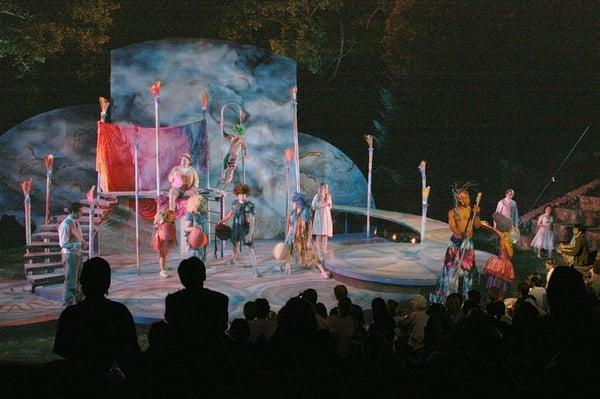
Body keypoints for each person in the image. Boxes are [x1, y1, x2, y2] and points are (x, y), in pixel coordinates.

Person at [54, 257, 140, 374]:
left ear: (82, 281)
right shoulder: (119, 313)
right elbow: (131, 350)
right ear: (107, 283)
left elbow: (61, 349)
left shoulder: (71, 314)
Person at [164, 256, 229, 350]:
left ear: (181, 279)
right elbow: (222, 327)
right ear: (204, 275)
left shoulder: (173, 301)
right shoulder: (220, 300)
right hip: (213, 354)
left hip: (181, 354)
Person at [430, 189, 482, 303]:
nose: (468, 200)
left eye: (468, 197)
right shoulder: (453, 212)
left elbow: (477, 225)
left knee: (468, 270)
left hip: (467, 243)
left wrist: (477, 214)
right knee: (449, 269)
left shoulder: (471, 211)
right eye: (465, 198)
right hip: (456, 242)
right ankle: (447, 296)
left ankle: (468, 299)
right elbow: (453, 227)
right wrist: (462, 234)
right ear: (459, 199)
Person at [278, 192, 330, 278]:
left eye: (294, 202)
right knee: (289, 252)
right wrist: (286, 240)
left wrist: (309, 239)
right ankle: (280, 266)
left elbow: (309, 227)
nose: (293, 204)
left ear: (298, 203)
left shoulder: (305, 213)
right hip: (294, 237)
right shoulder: (293, 213)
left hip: (304, 238)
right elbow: (290, 228)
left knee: (312, 254)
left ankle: (323, 272)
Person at [218, 183, 260, 277]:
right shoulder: (235, 203)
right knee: (234, 244)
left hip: (245, 229)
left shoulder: (249, 205)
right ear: (237, 194)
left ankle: (255, 269)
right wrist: (222, 221)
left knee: (250, 249)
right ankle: (233, 259)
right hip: (235, 228)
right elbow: (230, 214)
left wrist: (250, 234)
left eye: (244, 194)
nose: (243, 196)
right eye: (240, 194)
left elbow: (253, 220)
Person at [480, 214, 516, 299]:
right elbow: (510, 254)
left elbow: (495, 230)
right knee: (499, 285)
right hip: (503, 263)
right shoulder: (505, 239)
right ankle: (497, 299)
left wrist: (486, 225)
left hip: (500, 262)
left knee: (495, 283)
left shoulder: (502, 236)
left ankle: (493, 299)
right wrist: (510, 246)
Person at [58, 202, 85, 307]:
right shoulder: (66, 224)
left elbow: (78, 237)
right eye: (80, 212)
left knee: (79, 277)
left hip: (78, 253)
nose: (81, 214)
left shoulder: (76, 223)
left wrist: (82, 242)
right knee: (70, 279)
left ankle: (79, 299)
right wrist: (78, 244)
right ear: (74, 211)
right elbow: (63, 243)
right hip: (70, 255)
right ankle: (68, 303)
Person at [152, 195, 176, 278]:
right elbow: (155, 224)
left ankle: (164, 266)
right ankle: (162, 270)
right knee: (162, 254)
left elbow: (172, 222)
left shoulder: (167, 213)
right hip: (160, 237)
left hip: (165, 237)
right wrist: (160, 225)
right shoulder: (160, 214)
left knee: (165, 253)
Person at [183, 194, 209, 263]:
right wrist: (195, 228)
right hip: (195, 239)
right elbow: (186, 229)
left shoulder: (204, 213)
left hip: (204, 238)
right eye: (200, 203)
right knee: (194, 258)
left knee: (203, 257)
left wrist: (206, 240)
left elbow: (206, 227)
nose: (202, 204)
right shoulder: (191, 214)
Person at [311, 182, 333, 262]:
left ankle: (324, 251)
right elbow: (313, 206)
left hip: (326, 216)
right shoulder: (316, 196)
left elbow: (330, 206)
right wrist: (323, 204)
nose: (325, 190)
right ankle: (319, 252)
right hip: (319, 216)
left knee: (325, 234)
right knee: (319, 234)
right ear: (321, 189)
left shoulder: (328, 196)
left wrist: (327, 204)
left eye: (326, 188)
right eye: (324, 188)